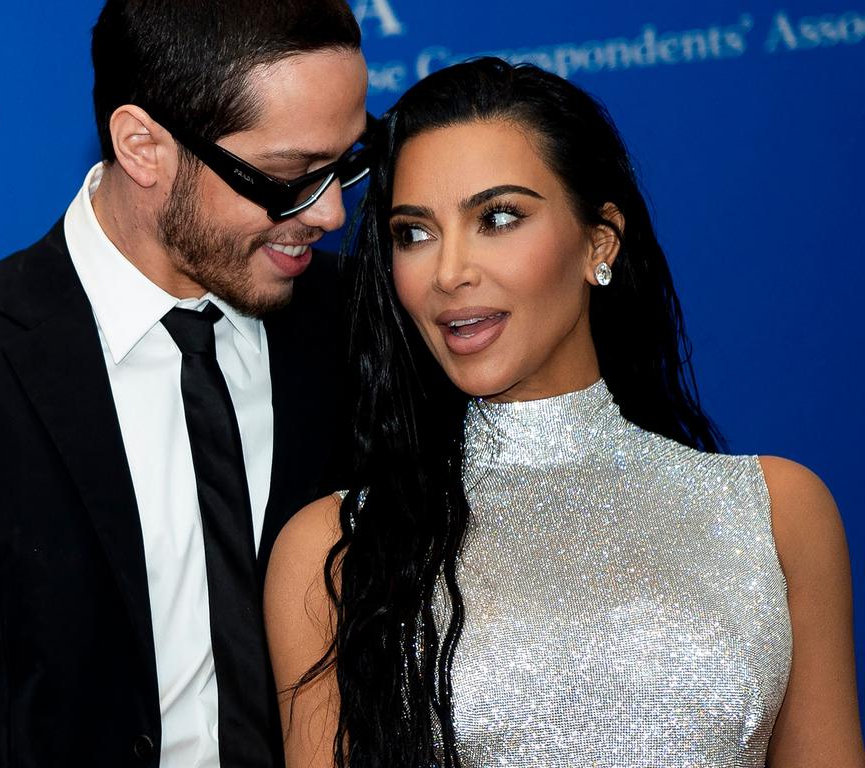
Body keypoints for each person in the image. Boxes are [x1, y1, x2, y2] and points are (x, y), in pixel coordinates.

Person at [265, 58, 865, 768]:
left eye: (498, 217)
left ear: (598, 242)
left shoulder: (776, 513)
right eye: (413, 233)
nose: (450, 271)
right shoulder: (334, 550)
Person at [0, 1, 368, 766]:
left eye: (347, 162)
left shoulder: (358, 322)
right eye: (289, 176)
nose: (329, 211)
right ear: (143, 146)